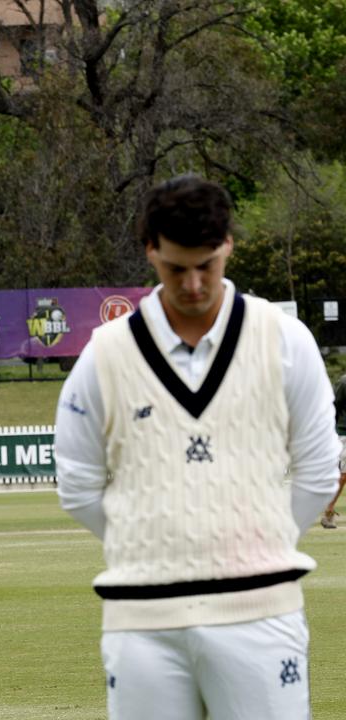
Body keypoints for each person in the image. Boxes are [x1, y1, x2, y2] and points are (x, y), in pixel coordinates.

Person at [54, 175, 340, 719]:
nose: (191, 285)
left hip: (259, 613)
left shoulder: (284, 340)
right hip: (142, 620)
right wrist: (150, 545)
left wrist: (262, 544)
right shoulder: (105, 353)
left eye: (205, 265)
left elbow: (319, 470)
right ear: (150, 252)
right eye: (175, 268)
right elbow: (77, 482)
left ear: (228, 245)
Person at [322, 374, 346, 528]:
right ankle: (328, 511)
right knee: (343, 475)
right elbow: (334, 406)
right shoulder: (344, 382)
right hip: (344, 432)